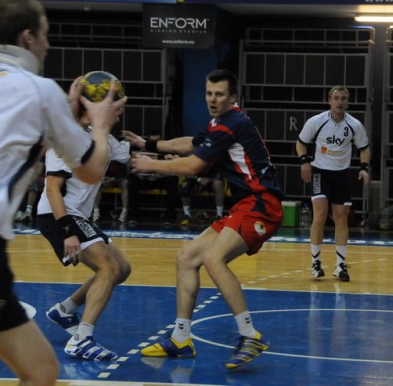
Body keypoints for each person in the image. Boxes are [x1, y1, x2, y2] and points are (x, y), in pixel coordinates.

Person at [0, 0, 125, 386]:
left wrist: (65, 114)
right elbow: (91, 170)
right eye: (45, 34)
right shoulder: (37, 89)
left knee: (40, 371)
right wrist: (101, 124)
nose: (48, 45)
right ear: (27, 37)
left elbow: (11, 142)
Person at [123, 69, 284, 369]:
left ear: (233, 98)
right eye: (209, 93)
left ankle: (250, 335)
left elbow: (194, 165)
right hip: (245, 205)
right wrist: (150, 144)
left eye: (219, 94)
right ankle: (180, 339)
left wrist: (151, 164)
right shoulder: (217, 123)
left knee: (213, 259)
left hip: (261, 204)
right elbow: (191, 143)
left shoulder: (233, 122)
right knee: (187, 257)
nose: (212, 99)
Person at [36, 76, 131, 361]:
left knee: (122, 269)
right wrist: (68, 231)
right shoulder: (68, 139)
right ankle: (82, 340)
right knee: (108, 268)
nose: (119, 109)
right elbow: (52, 188)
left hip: (78, 216)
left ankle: (65, 310)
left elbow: (132, 158)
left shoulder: (104, 139)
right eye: (114, 104)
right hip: (58, 214)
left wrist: (155, 148)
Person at [295, 86, 371, 282]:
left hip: (341, 175)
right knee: (320, 215)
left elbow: (364, 148)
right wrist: (304, 161)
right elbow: (301, 142)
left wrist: (364, 168)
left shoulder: (354, 125)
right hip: (320, 172)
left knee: (341, 218)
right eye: (336, 98)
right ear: (329, 100)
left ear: (348, 102)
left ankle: (340, 266)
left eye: (343, 98)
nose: (340, 102)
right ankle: (315, 263)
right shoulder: (317, 121)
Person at [126, 131, 180, 225]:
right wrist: (144, 174)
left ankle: (170, 216)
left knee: (173, 180)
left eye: (156, 141)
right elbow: (134, 169)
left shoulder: (167, 153)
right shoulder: (141, 153)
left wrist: (159, 174)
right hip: (145, 179)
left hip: (160, 178)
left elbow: (172, 170)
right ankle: (133, 216)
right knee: (132, 180)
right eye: (152, 141)